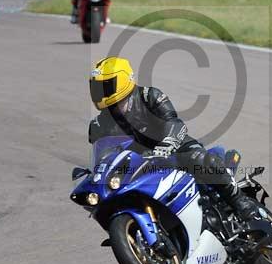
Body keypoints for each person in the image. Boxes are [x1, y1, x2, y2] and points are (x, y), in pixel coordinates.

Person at [87, 56, 262, 221]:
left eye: (106, 86)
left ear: (124, 80)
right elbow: (102, 154)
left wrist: (165, 146)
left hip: (176, 150)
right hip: (139, 165)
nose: (101, 93)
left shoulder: (149, 96)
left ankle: (240, 201)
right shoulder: (98, 124)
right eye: (97, 88)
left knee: (200, 159)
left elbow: (175, 123)